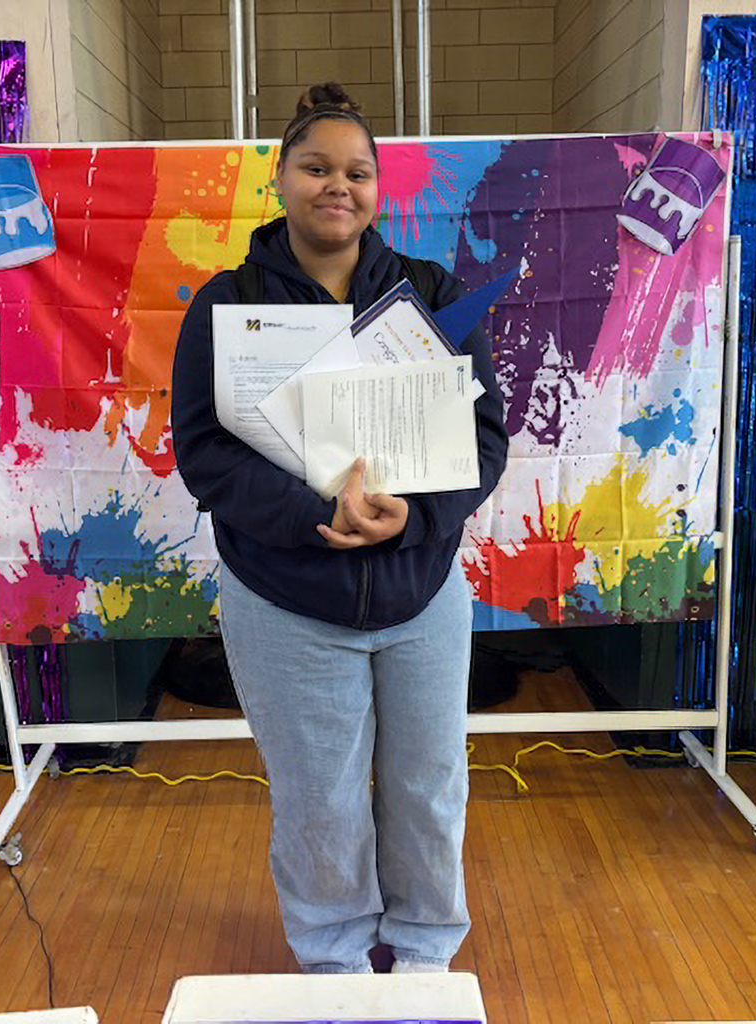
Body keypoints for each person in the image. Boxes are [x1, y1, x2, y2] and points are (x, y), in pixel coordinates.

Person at [171, 83, 508, 975]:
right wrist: (321, 514)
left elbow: (483, 440)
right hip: (286, 602)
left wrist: (414, 519)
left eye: (357, 172)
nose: (338, 186)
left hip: (420, 594)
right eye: (317, 168)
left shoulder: (428, 294)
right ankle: (334, 958)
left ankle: (425, 952)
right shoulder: (229, 304)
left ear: (377, 189)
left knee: (430, 788)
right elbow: (205, 454)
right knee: (319, 799)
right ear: (280, 179)